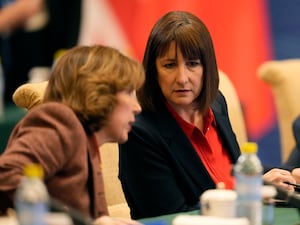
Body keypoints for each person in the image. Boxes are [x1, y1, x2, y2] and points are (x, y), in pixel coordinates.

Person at [118, 10, 300, 219]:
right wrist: (252, 194)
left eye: (192, 64)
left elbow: (231, 172)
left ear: (208, 68)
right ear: (153, 70)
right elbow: (172, 216)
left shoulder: (216, 104)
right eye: (169, 65)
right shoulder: (140, 132)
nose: (182, 78)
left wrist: (289, 175)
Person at [0, 45, 145, 225]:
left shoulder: (88, 137)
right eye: (129, 93)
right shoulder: (60, 122)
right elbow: (5, 175)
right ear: (98, 92)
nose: (137, 107)